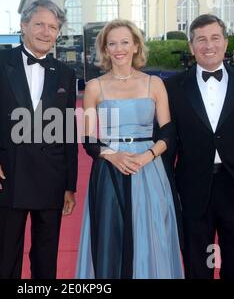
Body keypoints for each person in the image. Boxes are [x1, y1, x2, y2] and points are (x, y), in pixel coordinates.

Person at [0, 0, 78, 279]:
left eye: (53, 27)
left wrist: (69, 185)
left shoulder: (65, 73)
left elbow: (68, 133)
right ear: (23, 25)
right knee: (4, 261)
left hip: (51, 181)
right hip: (5, 176)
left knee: (46, 261)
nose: (45, 32)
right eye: (39, 24)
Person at [164, 14, 234, 279]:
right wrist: (169, 189)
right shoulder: (173, 86)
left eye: (215, 38)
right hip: (193, 190)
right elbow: (167, 141)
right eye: (201, 39)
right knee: (197, 266)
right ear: (192, 47)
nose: (209, 45)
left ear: (226, 43)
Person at [76, 19, 184, 279]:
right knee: (110, 237)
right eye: (112, 43)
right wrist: (114, 156)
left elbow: (168, 132)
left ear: (136, 46)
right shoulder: (94, 87)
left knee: (152, 235)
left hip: (149, 169)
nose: (119, 48)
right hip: (110, 169)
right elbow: (88, 138)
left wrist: (147, 156)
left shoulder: (154, 84)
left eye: (125, 42)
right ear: (105, 49)